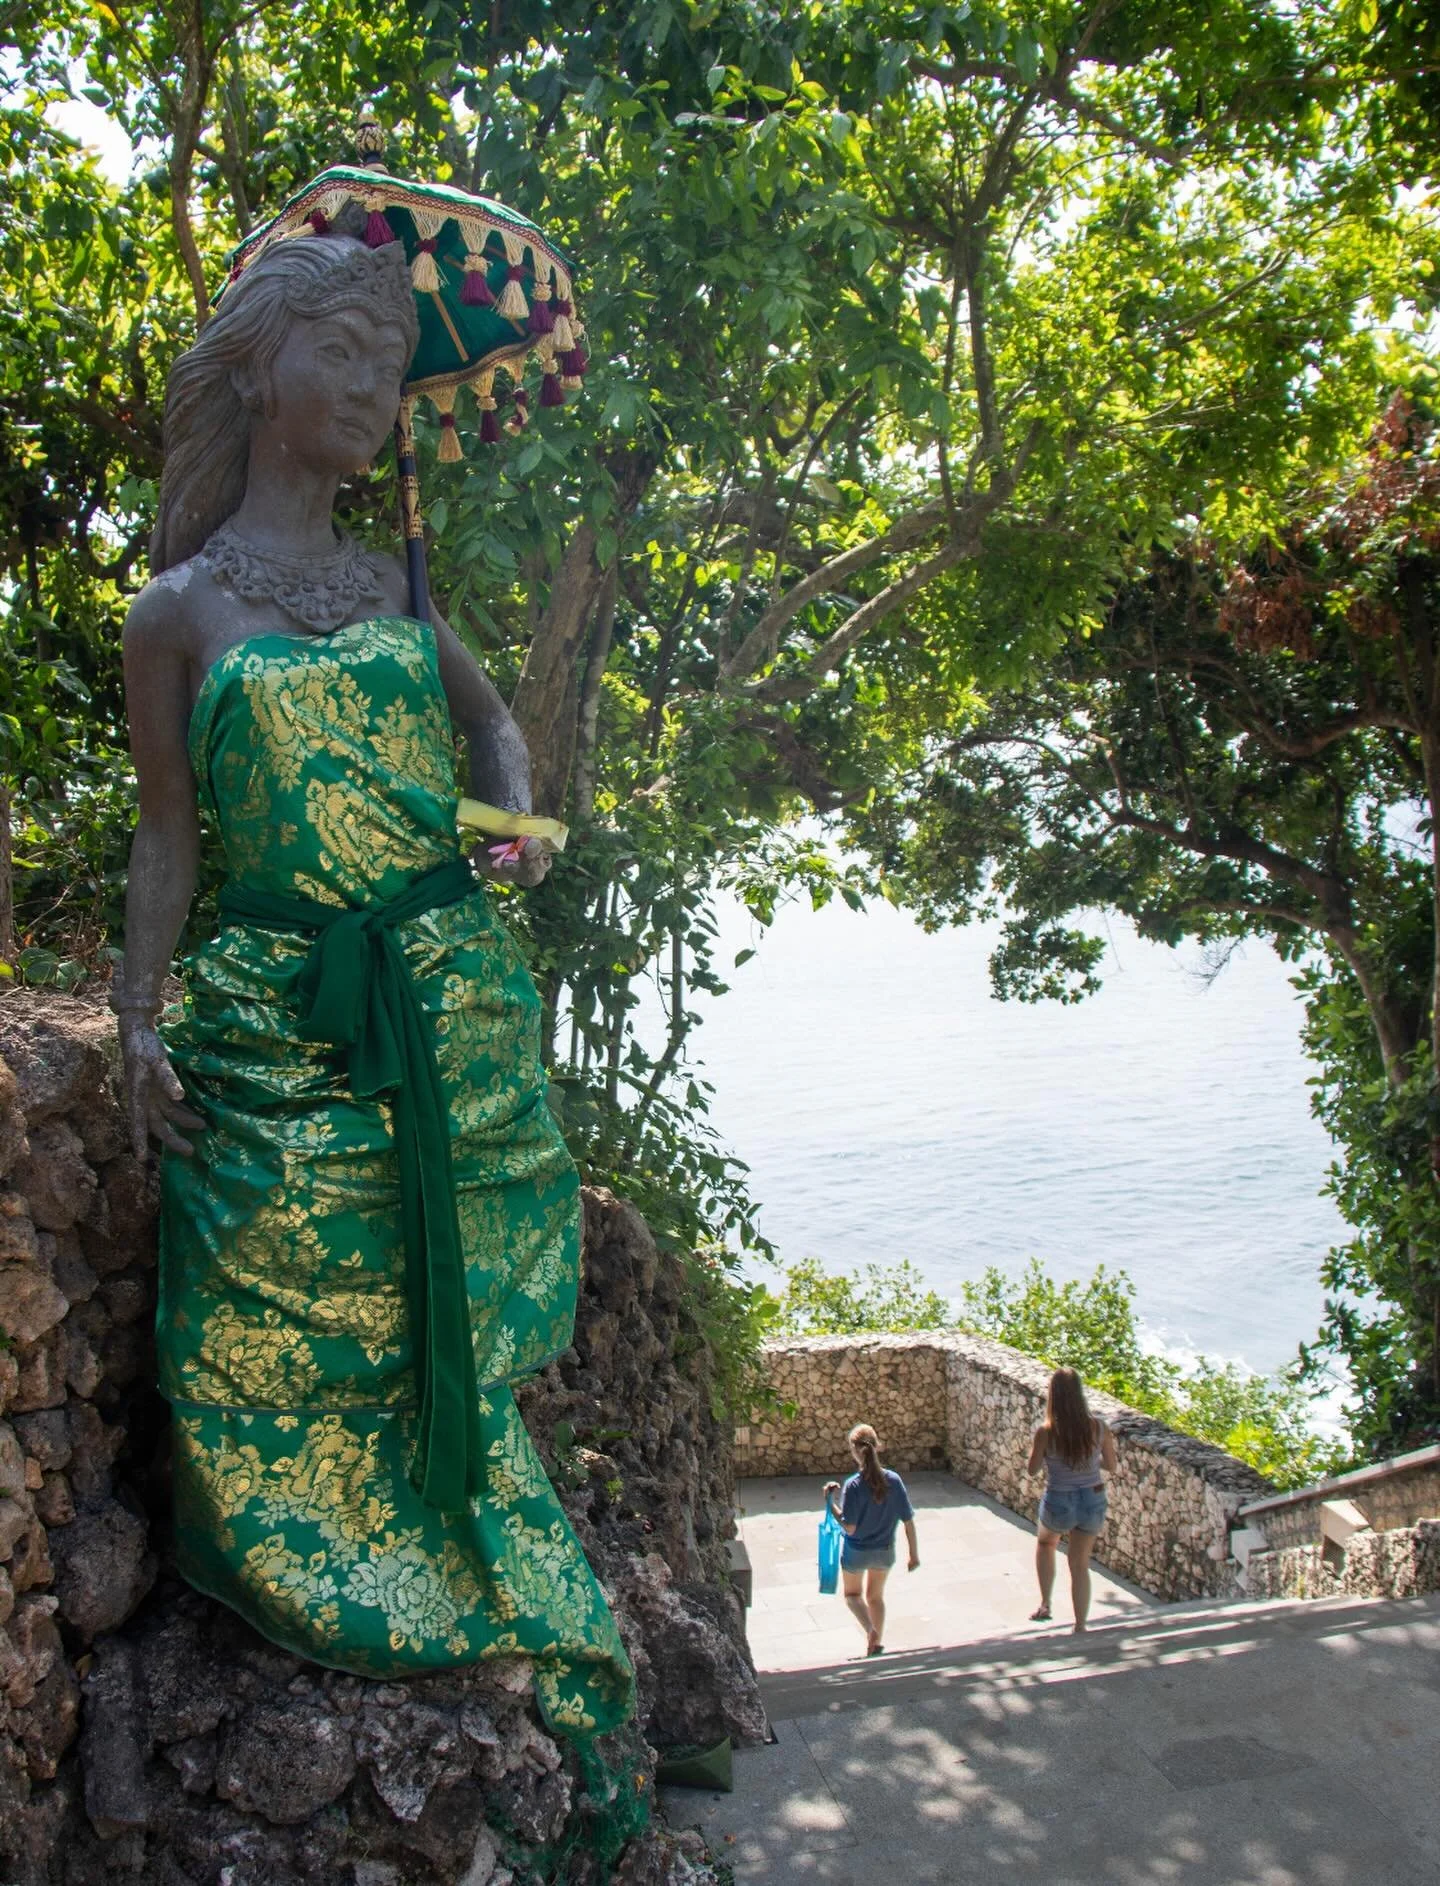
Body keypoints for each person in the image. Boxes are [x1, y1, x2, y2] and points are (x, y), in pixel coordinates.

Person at [112, 230, 633, 1736]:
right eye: (339, 353)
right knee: (260, 1303)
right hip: (277, 1016)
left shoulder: (395, 590)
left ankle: (455, 1534)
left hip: (445, 992)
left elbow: (497, 731)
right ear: (259, 367)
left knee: (442, 1310)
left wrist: (516, 821)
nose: (370, 391)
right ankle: (327, 1573)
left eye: (389, 367)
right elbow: (166, 837)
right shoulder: (180, 613)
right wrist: (139, 1019)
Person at [1025, 1366, 1118, 1633]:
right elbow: (1111, 1466)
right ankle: (1080, 1625)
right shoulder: (1099, 1428)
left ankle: (1045, 1604)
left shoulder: (1046, 1431)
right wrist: (1089, 1462)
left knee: (1045, 1543)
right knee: (1079, 1563)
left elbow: (1032, 1470)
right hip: (1092, 1498)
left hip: (1059, 1498)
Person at [823, 1423, 919, 1657]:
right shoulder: (894, 1481)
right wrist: (913, 1554)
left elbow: (850, 1527)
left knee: (852, 1596)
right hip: (885, 1551)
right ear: (877, 1446)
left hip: (856, 1551)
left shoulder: (853, 1485)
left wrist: (829, 1502)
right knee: (875, 1597)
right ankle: (875, 1644)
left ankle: (870, 1630)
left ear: (854, 1451)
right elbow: (908, 1520)